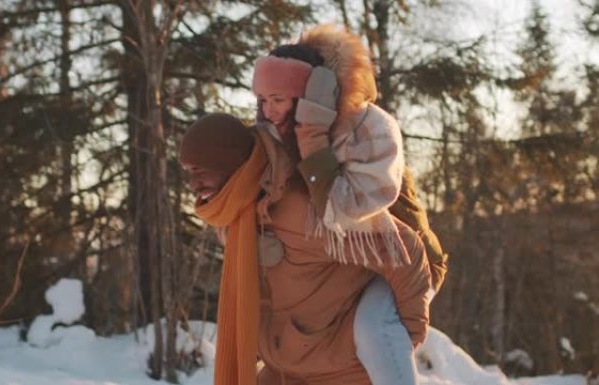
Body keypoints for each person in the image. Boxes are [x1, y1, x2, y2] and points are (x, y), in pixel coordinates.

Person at [249, 24, 449, 384]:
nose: (269, 111)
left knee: (373, 330)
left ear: (311, 95)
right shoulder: (275, 135)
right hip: (355, 263)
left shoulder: (368, 129)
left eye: (278, 100)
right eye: (262, 100)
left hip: (406, 260)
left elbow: (340, 212)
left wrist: (312, 135)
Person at [180, 112, 431, 385]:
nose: (193, 185)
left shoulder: (304, 212)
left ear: (229, 165)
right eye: (189, 173)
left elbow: (404, 249)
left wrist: (403, 336)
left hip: (341, 374)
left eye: (200, 172)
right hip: (284, 372)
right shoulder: (235, 218)